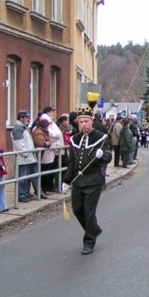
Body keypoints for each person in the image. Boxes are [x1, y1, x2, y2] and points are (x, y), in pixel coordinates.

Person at [61, 104, 112, 255]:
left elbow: (108, 157)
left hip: (94, 180)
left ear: (91, 121)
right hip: (78, 180)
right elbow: (72, 162)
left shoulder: (101, 137)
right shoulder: (75, 138)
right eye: (81, 122)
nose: (84, 125)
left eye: (86, 121)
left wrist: (102, 155)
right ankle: (94, 229)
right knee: (77, 210)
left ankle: (89, 241)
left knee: (89, 212)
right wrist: (66, 180)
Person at [11, 110, 45, 202]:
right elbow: (19, 145)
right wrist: (26, 154)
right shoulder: (18, 129)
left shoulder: (24, 128)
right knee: (22, 178)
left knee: (29, 177)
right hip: (23, 159)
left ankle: (26, 193)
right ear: (21, 118)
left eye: (28, 117)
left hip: (29, 157)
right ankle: (22, 194)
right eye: (26, 117)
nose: (28, 119)